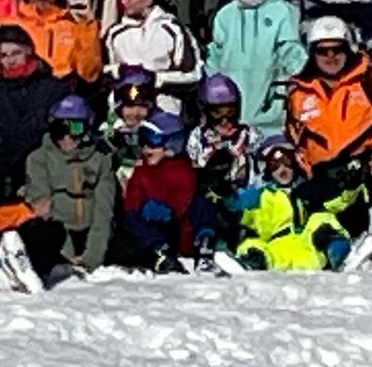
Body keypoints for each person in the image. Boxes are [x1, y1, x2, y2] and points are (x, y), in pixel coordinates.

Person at [286, 17, 372, 269]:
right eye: (322, 50)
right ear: (312, 53)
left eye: (337, 49)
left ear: (348, 48)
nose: (330, 56)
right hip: (326, 176)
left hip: (366, 168)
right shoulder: (299, 92)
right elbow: (296, 138)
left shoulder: (370, 81)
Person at [205, 0, 305, 133]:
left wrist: (285, 92)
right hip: (229, 117)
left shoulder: (284, 12)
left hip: (270, 119)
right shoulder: (226, 15)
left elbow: (293, 56)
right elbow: (214, 58)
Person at [18, 95, 118, 281]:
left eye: (75, 128)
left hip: (91, 233)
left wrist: (91, 257)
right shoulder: (38, 159)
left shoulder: (101, 159)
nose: (67, 137)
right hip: (58, 234)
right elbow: (43, 204)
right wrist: (67, 255)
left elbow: (104, 210)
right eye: (59, 130)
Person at [227, 136, 352, 272]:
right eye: (274, 165)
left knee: (320, 218)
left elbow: (338, 200)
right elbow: (236, 205)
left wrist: (350, 185)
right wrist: (224, 193)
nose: (282, 170)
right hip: (277, 249)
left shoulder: (307, 190)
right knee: (252, 244)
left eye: (285, 162)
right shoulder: (262, 196)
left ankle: (337, 251)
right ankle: (252, 262)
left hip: (309, 247)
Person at [0, 24, 66, 183]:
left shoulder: (54, 88)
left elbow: (74, 125)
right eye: (4, 56)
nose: (10, 60)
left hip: (46, 172)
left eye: (16, 53)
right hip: (0, 175)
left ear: (29, 51)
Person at [113, 110, 200, 274]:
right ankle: (158, 253)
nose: (146, 149)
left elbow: (184, 202)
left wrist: (170, 211)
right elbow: (131, 200)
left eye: (152, 142)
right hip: (149, 230)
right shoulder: (142, 171)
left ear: (171, 143)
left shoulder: (182, 171)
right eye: (143, 142)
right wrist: (140, 207)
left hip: (174, 229)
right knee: (128, 223)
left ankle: (164, 252)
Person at [102, 0, 199, 115]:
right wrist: (121, 71)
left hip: (164, 112)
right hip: (124, 113)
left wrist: (156, 79)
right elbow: (103, 70)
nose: (123, 1)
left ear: (148, 0)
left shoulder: (173, 29)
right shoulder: (115, 33)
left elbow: (193, 74)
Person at [185, 72, 258, 203]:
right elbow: (195, 168)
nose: (225, 120)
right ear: (206, 112)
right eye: (217, 113)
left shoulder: (248, 134)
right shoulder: (198, 137)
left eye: (230, 112)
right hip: (210, 198)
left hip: (243, 196)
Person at [103, 69, 157, 181]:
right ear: (118, 107)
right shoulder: (107, 132)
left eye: (142, 107)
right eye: (129, 107)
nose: (135, 113)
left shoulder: (154, 132)